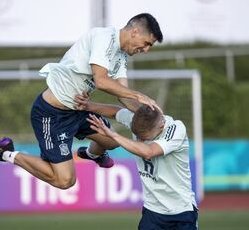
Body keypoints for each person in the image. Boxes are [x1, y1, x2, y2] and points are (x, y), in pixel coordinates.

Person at [0, 13, 163, 190]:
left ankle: (90, 154)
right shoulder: (104, 37)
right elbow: (101, 81)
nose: (145, 50)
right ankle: (5, 153)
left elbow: (123, 95)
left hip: (77, 110)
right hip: (52, 114)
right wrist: (138, 95)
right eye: (147, 43)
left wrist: (151, 115)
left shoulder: (120, 56)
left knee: (112, 140)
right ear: (135, 31)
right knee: (65, 181)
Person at [74, 95, 198, 230]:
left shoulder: (176, 129)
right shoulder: (141, 120)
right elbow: (116, 112)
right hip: (152, 211)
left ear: (161, 125)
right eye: (137, 136)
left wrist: (112, 135)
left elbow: (148, 151)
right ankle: (92, 154)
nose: (139, 140)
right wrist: (88, 106)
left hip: (182, 212)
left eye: (144, 138)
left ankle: (92, 154)